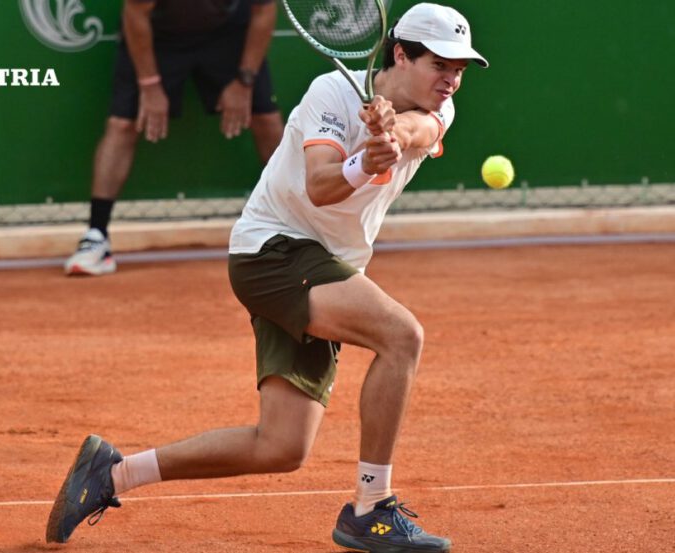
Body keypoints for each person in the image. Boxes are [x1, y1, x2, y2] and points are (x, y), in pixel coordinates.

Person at [46, 4, 488, 552]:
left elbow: (419, 130)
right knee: (401, 336)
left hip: (327, 266)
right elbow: (323, 186)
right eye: (440, 65)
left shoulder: (439, 107)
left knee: (280, 447)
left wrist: (388, 133)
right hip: (272, 251)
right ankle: (371, 508)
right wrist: (365, 159)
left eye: (460, 70)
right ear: (401, 54)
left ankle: (112, 474)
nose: (451, 80)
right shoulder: (331, 93)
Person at [64, 0, 285, 276]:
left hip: (228, 33)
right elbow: (135, 11)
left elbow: (264, 9)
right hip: (157, 34)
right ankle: (96, 236)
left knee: (266, 118)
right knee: (122, 123)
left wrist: (245, 82)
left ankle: (301, 229)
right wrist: (149, 85)